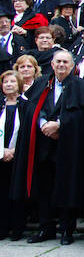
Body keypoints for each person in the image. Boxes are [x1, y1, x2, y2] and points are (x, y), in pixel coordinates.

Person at [13, 50, 84, 245]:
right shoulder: (41, 84)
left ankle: (67, 229)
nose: (61, 65)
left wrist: (60, 124)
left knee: (67, 186)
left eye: (66, 62)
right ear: (52, 64)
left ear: (72, 65)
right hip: (43, 145)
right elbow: (30, 108)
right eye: (58, 61)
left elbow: (83, 118)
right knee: (44, 188)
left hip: (68, 147)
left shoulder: (81, 86)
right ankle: (45, 228)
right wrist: (42, 124)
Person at [0, 70, 28, 239]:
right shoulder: (0, 105)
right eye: (5, 82)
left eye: (12, 81)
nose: (8, 84)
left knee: (17, 191)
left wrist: (14, 151)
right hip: (0, 156)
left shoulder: (26, 106)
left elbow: (28, 133)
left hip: (19, 157)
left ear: (18, 84)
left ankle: (17, 228)